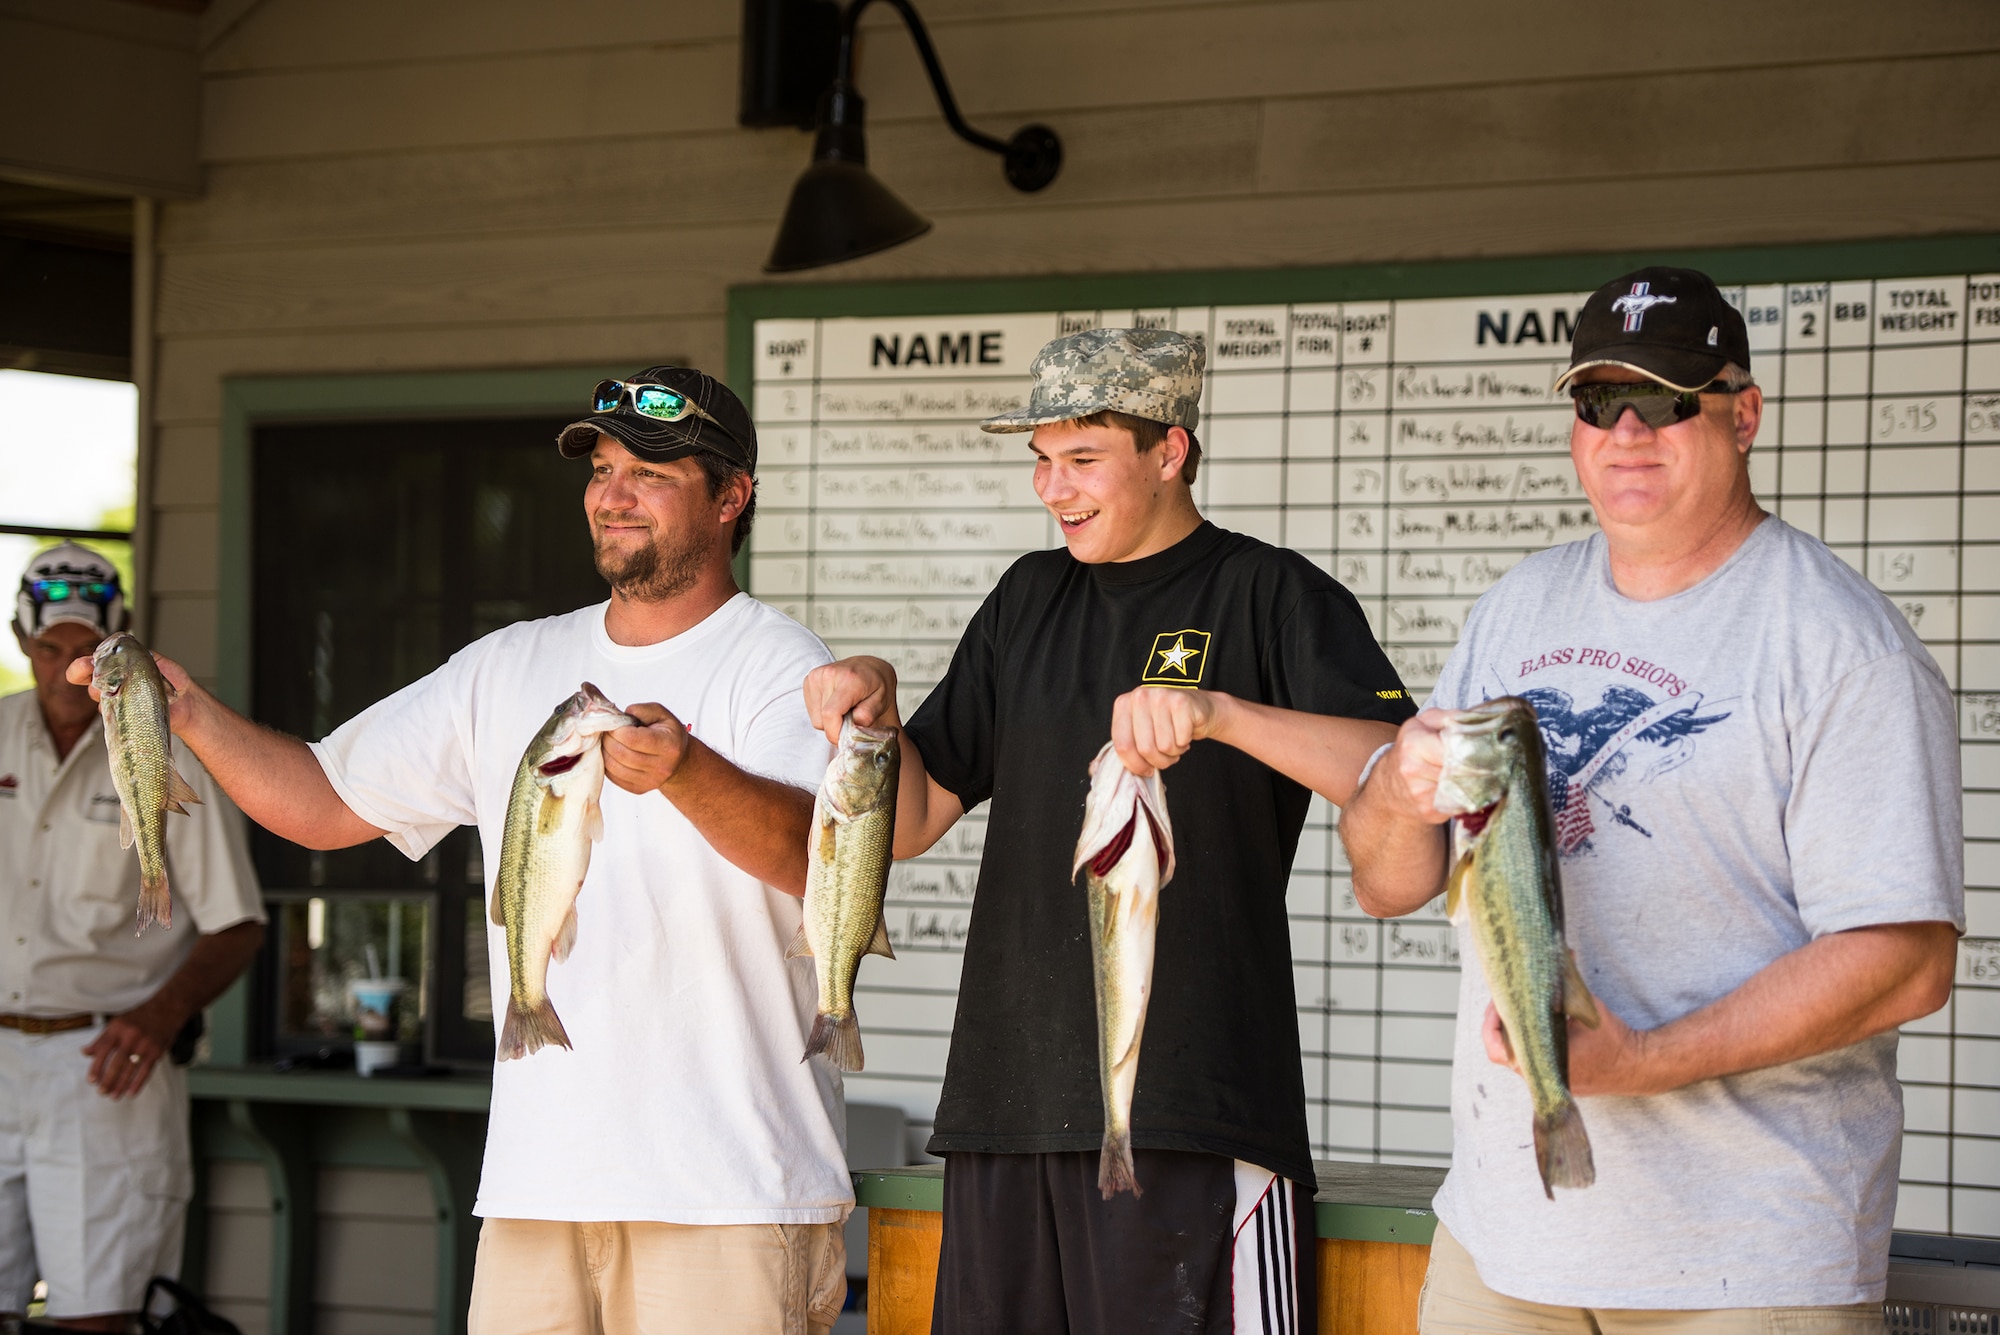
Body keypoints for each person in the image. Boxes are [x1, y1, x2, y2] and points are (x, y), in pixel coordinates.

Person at [74, 369, 851, 1334]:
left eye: (651, 472)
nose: (612, 493)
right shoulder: (509, 665)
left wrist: (685, 769)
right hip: (537, 1184)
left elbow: (815, 858)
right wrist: (183, 712)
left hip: (733, 1188)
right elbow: (323, 799)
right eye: (603, 469)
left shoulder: (785, 665)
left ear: (732, 497)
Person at [1339, 267, 1964, 1332]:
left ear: (1743, 414)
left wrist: (1641, 1064)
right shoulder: (1515, 606)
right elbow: (1390, 884)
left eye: (1668, 400)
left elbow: (1905, 961)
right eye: (1597, 402)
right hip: (1501, 1240)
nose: (1627, 431)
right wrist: (1397, 793)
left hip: (1743, 1264)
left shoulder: (1838, 645)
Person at [806, 328, 1417, 1335]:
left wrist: (1219, 714)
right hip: (1002, 1108)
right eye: (1040, 460)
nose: (1053, 488)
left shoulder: (1269, 593)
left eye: (1082, 459)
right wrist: (871, 708)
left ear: (1169, 451)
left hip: (1190, 1107)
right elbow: (912, 819)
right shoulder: (1025, 598)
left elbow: (1394, 771)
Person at [3, 542, 265, 1332]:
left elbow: (239, 920)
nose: (65, 667)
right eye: (50, 648)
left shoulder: (165, 734)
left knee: (98, 1314)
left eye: (84, 649)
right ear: (23, 641)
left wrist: (159, 1016)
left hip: (103, 1066)